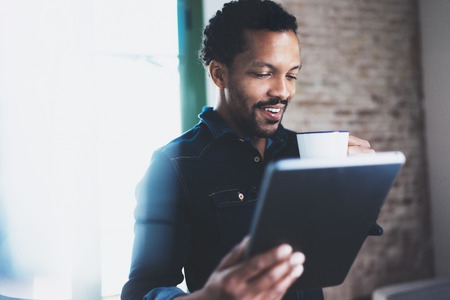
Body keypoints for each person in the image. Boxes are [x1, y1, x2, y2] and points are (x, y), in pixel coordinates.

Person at [121, 0, 375, 299]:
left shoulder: (305, 154)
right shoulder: (175, 165)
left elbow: (329, 245)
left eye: (291, 75)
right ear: (219, 74)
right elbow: (140, 290)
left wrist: (358, 188)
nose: (282, 91)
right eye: (263, 73)